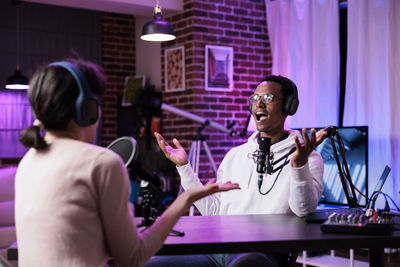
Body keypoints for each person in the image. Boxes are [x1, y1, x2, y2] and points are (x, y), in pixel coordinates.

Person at [14, 58, 240, 267]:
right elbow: (133, 258)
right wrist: (185, 200)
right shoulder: (101, 163)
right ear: (88, 110)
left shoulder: (28, 161)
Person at [149, 75, 328, 267]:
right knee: (151, 263)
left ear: (289, 107)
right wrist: (184, 167)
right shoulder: (235, 156)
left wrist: (298, 165)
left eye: (268, 98)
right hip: (218, 248)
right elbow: (214, 211)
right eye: (254, 99)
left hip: (263, 253)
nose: (258, 104)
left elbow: (304, 210)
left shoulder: (308, 158)